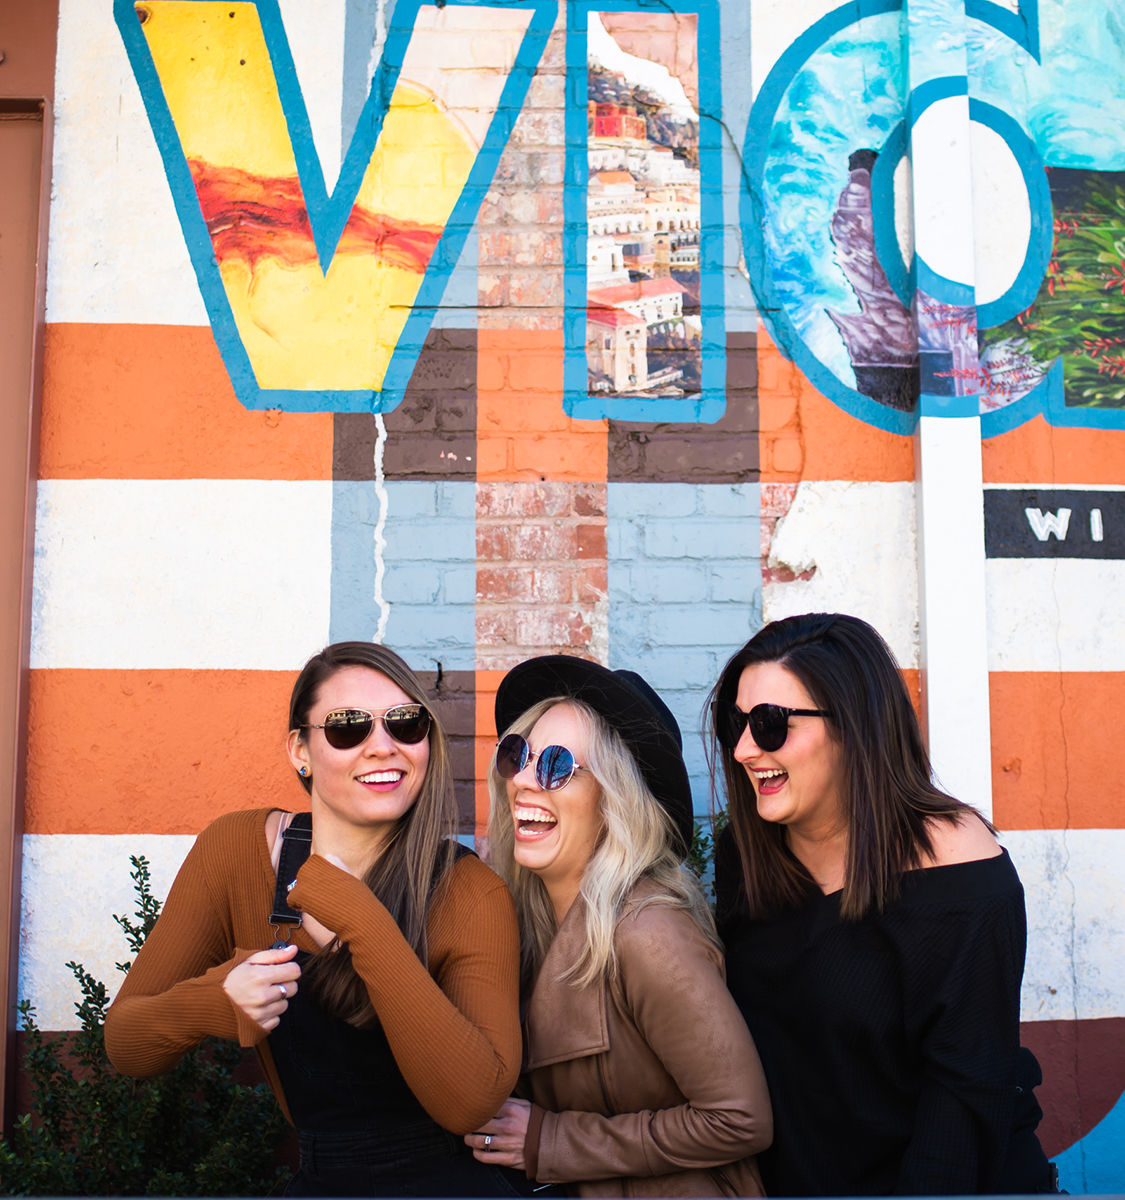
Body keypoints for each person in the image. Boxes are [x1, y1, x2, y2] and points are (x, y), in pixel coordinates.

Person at [105, 641, 525, 1197]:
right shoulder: (237, 851)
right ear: (300, 749)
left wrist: (358, 916)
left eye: (405, 724)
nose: (382, 747)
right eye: (348, 727)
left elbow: (471, 1100)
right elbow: (126, 1044)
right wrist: (217, 1002)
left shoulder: (469, 891)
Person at [708, 612, 1055, 1196]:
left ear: (854, 726)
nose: (744, 749)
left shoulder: (956, 871)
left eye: (768, 724)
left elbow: (965, 1092)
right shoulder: (745, 857)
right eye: (736, 723)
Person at [466, 655, 772, 1197]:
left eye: (557, 765)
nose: (525, 783)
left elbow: (739, 1119)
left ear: (614, 800)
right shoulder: (519, 916)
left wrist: (550, 1140)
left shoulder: (648, 931)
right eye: (518, 756)